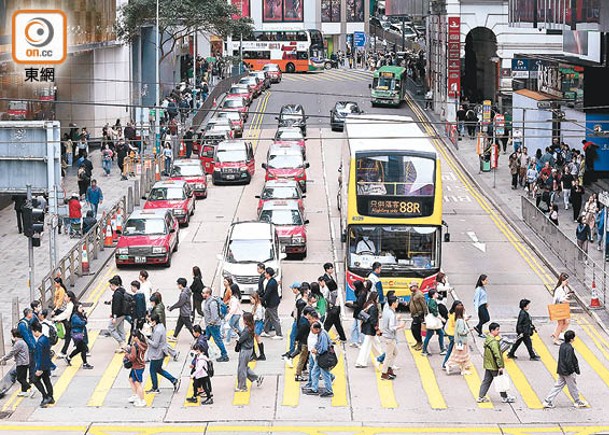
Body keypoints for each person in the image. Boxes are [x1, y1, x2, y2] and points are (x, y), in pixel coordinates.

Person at [543, 330, 589, 409]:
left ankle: (547, 400)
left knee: (558, 386)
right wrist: (572, 370)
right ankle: (577, 401)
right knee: (573, 387)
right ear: (571, 339)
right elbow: (569, 361)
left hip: (561, 370)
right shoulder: (569, 348)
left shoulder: (562, 345)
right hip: (567, 372)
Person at [477, 322, 515, 404]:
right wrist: (500, 366)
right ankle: (505, 397)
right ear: (492, 330)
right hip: (494, 365)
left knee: (486, 381)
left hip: (488, 365)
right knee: (500, 380)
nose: (499, 331)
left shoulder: (488, 339)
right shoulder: (493, 342)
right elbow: (497, 355)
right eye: (497, 330)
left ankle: (481, 397)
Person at [145, 314, 180, 394]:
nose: (150, 323)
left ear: (154, 321)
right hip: (161, 352)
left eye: (150, 321)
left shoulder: (157, 331)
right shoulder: (161, 326)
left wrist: (147, 340)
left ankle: (155, 388)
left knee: (152, 370)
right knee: (158, 369)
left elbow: (155, 344)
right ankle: (173, 380)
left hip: (157, 353)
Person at [303, 321, 334, 397]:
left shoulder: (322, 335)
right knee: (314, 372)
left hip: (324, 357)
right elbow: (318, 343)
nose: (311, 331)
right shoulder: (320, 333)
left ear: (317, 329)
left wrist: (316, 350)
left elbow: (323, 348)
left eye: (312, 329)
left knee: (325, 374)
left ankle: (329, 391)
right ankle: (314, 388)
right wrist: (315, 348)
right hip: (319, 357)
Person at [235, 313, 264, 392]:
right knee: (244, 366)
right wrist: (239, 332)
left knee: (242, 369)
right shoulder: (251, 328)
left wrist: (238, 338)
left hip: (245, 350)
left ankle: (242, 387)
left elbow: (241, 339)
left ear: (246, 320)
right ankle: (257, 378)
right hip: (249, 349)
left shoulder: (247, 330)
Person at [380, 296, 405, 380]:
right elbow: (391, 327)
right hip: (390, 337)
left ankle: (389, 369)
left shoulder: (387, 311)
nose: (398, 303)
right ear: (393, 303)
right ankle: (384, 373)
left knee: (395, 353)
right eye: (397, 302)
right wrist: (400, 326)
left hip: (388, 336)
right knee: (388, 356)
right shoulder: (391, 314)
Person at [0, 329, 32, 397]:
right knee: (23, 377)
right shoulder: (22, 341)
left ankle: (29, 387)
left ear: (15, 336)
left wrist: (3, 359)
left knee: (19, 378)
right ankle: (24, 391)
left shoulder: (18, 343)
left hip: (21, 363)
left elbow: (12, 353)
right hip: (25, 362)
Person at [355, 291, 382, 368]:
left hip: (367, 328)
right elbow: (373, 320)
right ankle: (360, 362)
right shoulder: (373, 307)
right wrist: (377, 329)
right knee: (366, 346)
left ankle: (381, 358)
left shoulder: (368, 305)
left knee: (376, 344)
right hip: (370, 330)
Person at [202, 287, 229, 362]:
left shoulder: (212, 303)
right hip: (209, 325)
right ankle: (203, 353)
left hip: (213, 325)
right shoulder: (207, 301)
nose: (202, 294)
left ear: (208, 294)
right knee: (205, 339)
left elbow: (215, 315)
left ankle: (224, 355)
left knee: (218, 340)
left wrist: (212, 322)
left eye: (203, 293)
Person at [31, 322, 54, 407]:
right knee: (46, 380)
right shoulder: (45, 339)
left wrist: (39, 368)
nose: (33, 334)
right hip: (47, 364)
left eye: (33, 332)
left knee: (35, 380)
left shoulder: (40, 342)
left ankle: (45, 396)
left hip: (42, 366)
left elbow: (40, 356)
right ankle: (51, 397)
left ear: (36, 331)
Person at [445, 304, 472, 375]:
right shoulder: (460, 320)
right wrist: (469, 330)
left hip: (459, 340)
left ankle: (463, 370)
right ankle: (448, 364)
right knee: (460, 356)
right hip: (461, 341)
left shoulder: (458, 319)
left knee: (462, 356)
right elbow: (461, 331)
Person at [65, 303, 93, 369]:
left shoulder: (79, 315)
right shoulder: (75, 316)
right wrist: (85, 320)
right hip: (76, 334)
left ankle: (69, 357)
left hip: (79, 333)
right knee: (83, 348)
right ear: (76, 309)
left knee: (79, 348)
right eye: (80, 307)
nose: (82, 308)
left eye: (82, 307)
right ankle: (85, 363)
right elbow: (82, 323)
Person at [126, 330, 148, 407]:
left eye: (132, 337)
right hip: (140, 365)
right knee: (131, 379)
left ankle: (142, 400)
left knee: (138, 383)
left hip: (137, 366)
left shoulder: (135, 346)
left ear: (135, 337)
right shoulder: (143, 344)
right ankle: (135, 395)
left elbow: (132, 357)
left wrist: (127, 355)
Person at [421, 289, 446, 356]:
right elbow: (435, 312)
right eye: (436, 293)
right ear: (433, 295)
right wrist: (442, 319)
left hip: (434, 321)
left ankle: (442, 349)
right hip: (434, 321)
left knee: (440, 333)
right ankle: (424, 350)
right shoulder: (432, 302)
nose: (437, 294)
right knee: (430, 335)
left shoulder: (431, 301)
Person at [53, 291, 76, 359]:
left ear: (69, 298)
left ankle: (64, 352)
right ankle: (64, 351)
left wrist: (56, 318)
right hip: (71, 323)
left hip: (72, 323)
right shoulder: (69, 304)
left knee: (71, 337)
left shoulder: (71, 305)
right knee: (69, 337)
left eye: (66, 296)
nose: (64, 297)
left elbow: (66, 314)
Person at [107, 275, 128, 352]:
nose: (110, 287)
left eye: (110, 286)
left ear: (113, 285)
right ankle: (124, 346)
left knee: (110, 328)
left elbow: (116, 306)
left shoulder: (116, 294)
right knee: (120, 329)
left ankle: (122, 342)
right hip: (123, 313)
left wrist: (114, 316)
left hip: (118, 315)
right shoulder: (122, 290)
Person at [261, 267, 282, 339]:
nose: (264, 274)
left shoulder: (271, 283)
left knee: (274, 318)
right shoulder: (272, 281)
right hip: (270, 303)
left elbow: (267, 294)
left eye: (265, 273)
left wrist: (262, 300)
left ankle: (279, 334)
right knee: (267, 317)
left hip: (272, 303)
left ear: (268, 274)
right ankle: (266, 331)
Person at [552, 273, 572, 346]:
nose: (567, 283)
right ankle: (556, 338)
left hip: (561, 308)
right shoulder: (559, 289)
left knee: (566, 322)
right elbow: (560, 300)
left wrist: (566, 296)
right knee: (561, 324)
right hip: (559, 308)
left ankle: (557, 334)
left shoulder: (562, 288)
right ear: (562, 281)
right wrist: (567, 300)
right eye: (566, 281)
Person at [408, 282, 427, 351]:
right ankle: (418, 342)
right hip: (414, 314)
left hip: (419, 315)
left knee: (415, 329)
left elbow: (424, 305)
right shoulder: (413, 294)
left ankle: (420, 342)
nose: (410, 288)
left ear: (416, 287)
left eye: (411, 287)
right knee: (415, 329)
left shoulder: (420, 295)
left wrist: (425, 315)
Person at [349, 280, 366, 348]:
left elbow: (359, 304)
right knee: (354, 328)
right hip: (357, 312)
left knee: (359, 328)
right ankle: (354, 341)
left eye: (354, 286)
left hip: (360, 313)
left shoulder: (362, 294)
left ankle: (363, 342)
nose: (353, 287)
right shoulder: (359, 292)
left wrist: (351, 305)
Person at [251, 292, 266, 360]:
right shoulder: (255, 305)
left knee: (256, 337)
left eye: (251, 299)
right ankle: (260, 354)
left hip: (258, 323)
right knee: (257, 338)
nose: (251, 300)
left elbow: (259, 317)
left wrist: (253, 316)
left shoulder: (258, 307)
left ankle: (260, 354)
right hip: (257, 323)